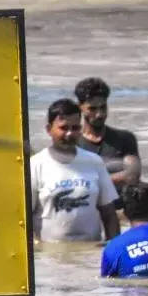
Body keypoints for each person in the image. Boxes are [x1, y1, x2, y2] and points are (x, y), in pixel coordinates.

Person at [29, 98, 120, 243]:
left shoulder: (94, 162)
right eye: (64, 128)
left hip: (90, 254)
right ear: (49, 129)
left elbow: (109, 214)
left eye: (75, 128)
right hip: (50, 256)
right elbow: (23, 219)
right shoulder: (35, 165)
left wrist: (114, 251)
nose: (70, 134)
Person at [74, 77, 141, 191]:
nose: (99, 114)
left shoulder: (125, 139)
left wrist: (89, 182)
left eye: (103, 107)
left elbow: (132, 176)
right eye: (92, 109)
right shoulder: (73, 143)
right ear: (80, 108)